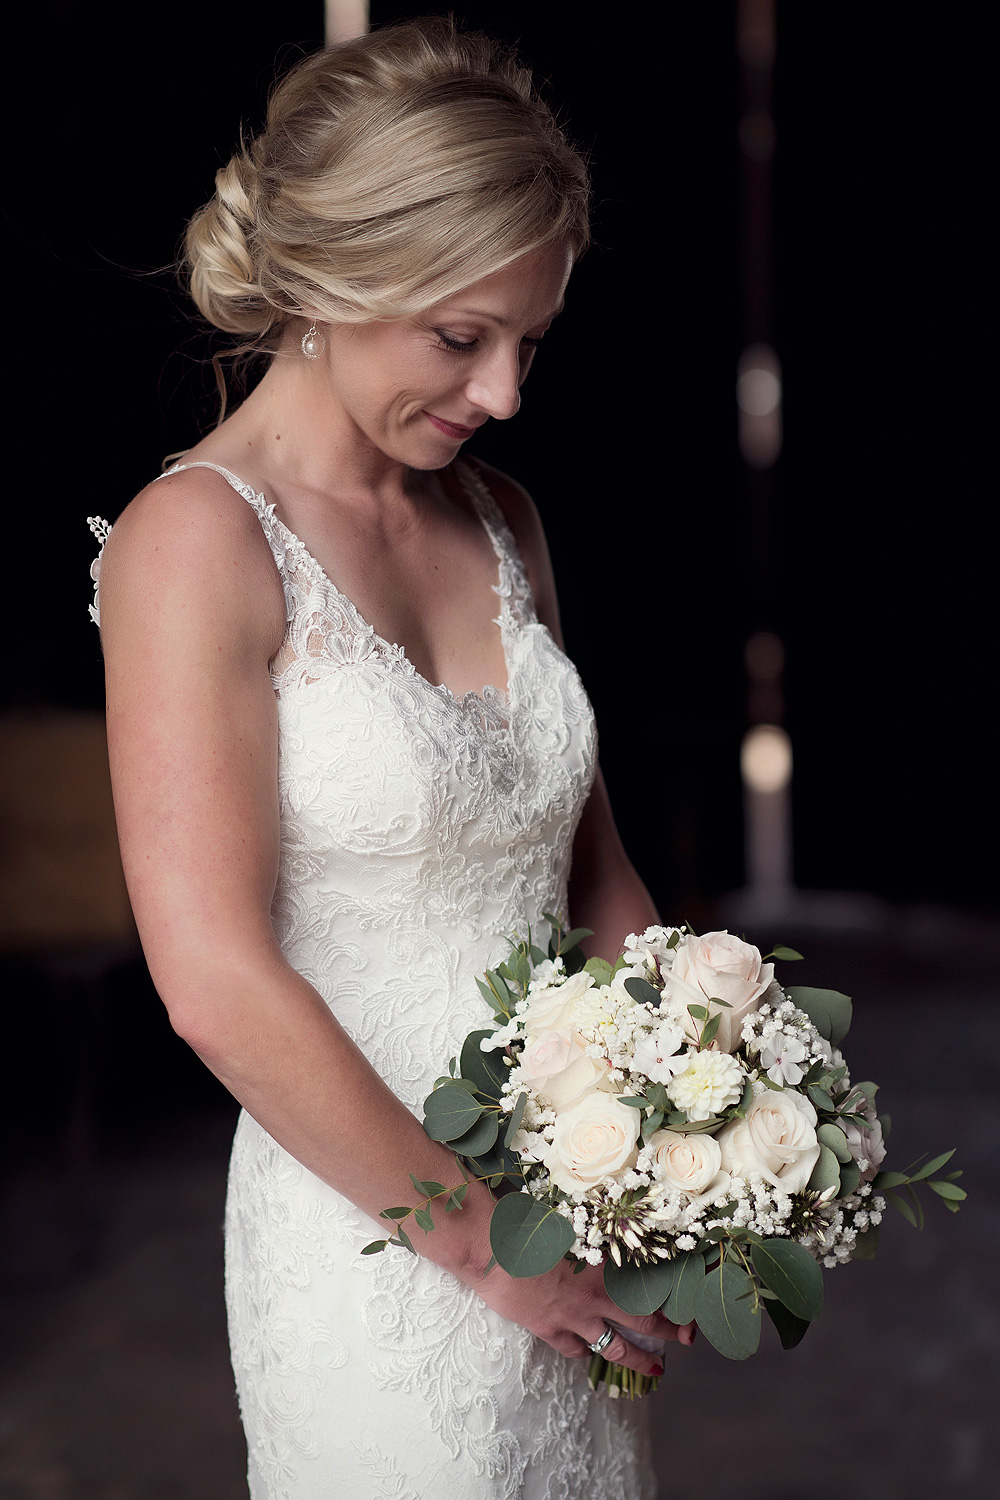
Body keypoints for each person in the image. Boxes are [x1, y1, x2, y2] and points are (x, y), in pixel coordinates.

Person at [89, 19, 693, 1499]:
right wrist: (493, 1254)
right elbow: (214, 980)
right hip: (375, 1242)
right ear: (337, 282)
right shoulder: (196, 545)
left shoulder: (503, 521)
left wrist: (703, 1124)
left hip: (572, 1205)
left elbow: (594, 873)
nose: (502, 393)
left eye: (528, 340)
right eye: (459, 337)